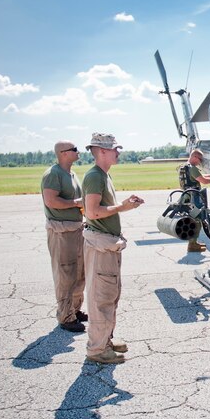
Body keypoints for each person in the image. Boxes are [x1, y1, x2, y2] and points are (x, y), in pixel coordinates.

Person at [82, 133, 143, 365]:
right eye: (114, 149)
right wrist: (123, 206)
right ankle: (97, 349)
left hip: (107, 243)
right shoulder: (95, 177)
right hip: (101, 244)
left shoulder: (103, 176)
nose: (118, 152)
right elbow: (93, 212)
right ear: (101, 151)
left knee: (110, 295)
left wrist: (125, 206)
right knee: (101, 297)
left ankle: (105, 340)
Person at [41, 141, 86, 333]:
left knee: (79, 274)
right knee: (65, 275)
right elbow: (51, 201)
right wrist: (75, 203)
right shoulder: (53, 174)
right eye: (74, 149)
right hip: (61, 231)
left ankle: (75, 310)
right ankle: (66, 316)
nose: (78, 152)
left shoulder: (72, 174)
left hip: (76, 229)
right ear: (63, 153)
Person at [180, 149, 210, 253]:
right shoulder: (192, 168)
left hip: (187, 197)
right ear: (195, 157)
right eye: (200, 159)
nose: (200, 162)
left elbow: (200, 177)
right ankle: (192, 245)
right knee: (197, 220)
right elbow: (204, 181)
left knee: (194, 219)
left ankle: (193, 243)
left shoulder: (185, 166)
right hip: (194, 199)